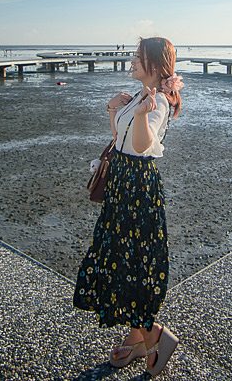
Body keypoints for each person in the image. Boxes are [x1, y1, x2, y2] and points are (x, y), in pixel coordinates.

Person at [74, 36, 185, 376]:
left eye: (138, 57)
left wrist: (140, 115)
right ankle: (138, 339)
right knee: (119, 257)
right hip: (123, 182)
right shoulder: (139, 95)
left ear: (154, 64)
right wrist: (113, 110)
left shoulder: (159, 102)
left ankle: (154, 336)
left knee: (130, 261)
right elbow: (120, 139)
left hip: (138, 188)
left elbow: (140, 146)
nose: (132, 61)